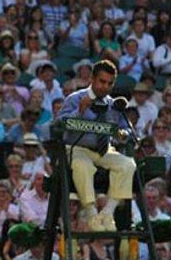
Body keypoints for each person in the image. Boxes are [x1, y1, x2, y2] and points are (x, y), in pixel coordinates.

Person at [56, 60, 136, 231]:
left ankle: (107, 213)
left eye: (109, 83)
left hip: (104, 149)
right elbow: (58, 124)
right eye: (102, 81)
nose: (105, 86)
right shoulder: (75, 98)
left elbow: (128, 131)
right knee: (81, 165)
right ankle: (91, 213)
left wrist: (123, 135)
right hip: (77, 148)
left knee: (128, 164)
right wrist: (79, 111)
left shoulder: (113, 104)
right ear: (92, 79)